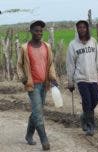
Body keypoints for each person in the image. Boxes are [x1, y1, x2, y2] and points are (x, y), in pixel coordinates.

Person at [17, 20, 58, 151]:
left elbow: (50, 64)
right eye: (36, 30)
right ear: (31, 31)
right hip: (32, 85)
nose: (39, 33)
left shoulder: (47, 46)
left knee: (36, 111)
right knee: (38, 113)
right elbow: (19, 65)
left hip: (44, 84)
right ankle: (44, 140)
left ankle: (29, 135)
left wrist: (53, 78)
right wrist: (23, 78)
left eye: (41, 31)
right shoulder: (24, 48)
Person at [66, 20, 98, 136]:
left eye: (84, 27)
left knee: (95, 99)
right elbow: (70, 64)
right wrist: (70, 82)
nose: (81, 29)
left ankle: (84, 116)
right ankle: (89, 126)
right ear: (76, 29)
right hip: (81, 78)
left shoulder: (93, 42)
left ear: (87, 29)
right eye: (79, 27)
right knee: (87, 101)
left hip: (93, 77)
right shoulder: (73, 45)